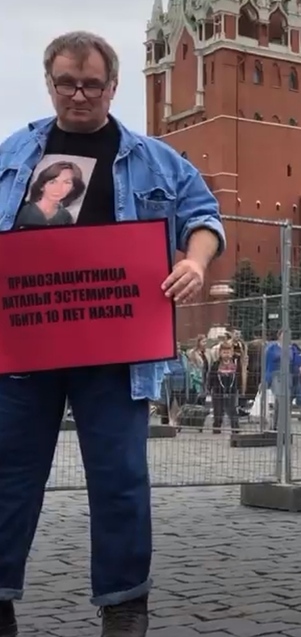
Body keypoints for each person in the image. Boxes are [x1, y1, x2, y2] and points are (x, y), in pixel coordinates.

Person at [0, 31, 224, 637]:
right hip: (25, 347)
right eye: (67, 83)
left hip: (117, 351)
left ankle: (125, 604)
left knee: (121, 478)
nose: (79, 95)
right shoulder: (12, 154)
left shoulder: (155, 160)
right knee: (8, 475)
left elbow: (204, 216)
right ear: (49, 84)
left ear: (113, 86)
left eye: (92, 84)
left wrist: (195, 261)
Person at [15, 160, 86, 227]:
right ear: (42, 185)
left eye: (66, 183)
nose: (58, 188)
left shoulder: (65, 216)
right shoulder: (23, 210)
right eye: (53, 182)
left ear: (73, 188)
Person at [207, 342, 242, 434]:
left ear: (232, 353)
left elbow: (239, 377)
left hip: (231, 390)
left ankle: (235, 427)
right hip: (218, 390)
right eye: (224, 352)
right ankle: (217, 427)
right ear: (220, 353)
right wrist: (209, 387)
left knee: (232, 409)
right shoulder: (216, 365)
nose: (226, 355)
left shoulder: (235, 364)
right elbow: (211, 377)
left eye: (228, 352)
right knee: (218, 410)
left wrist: (239, 387)